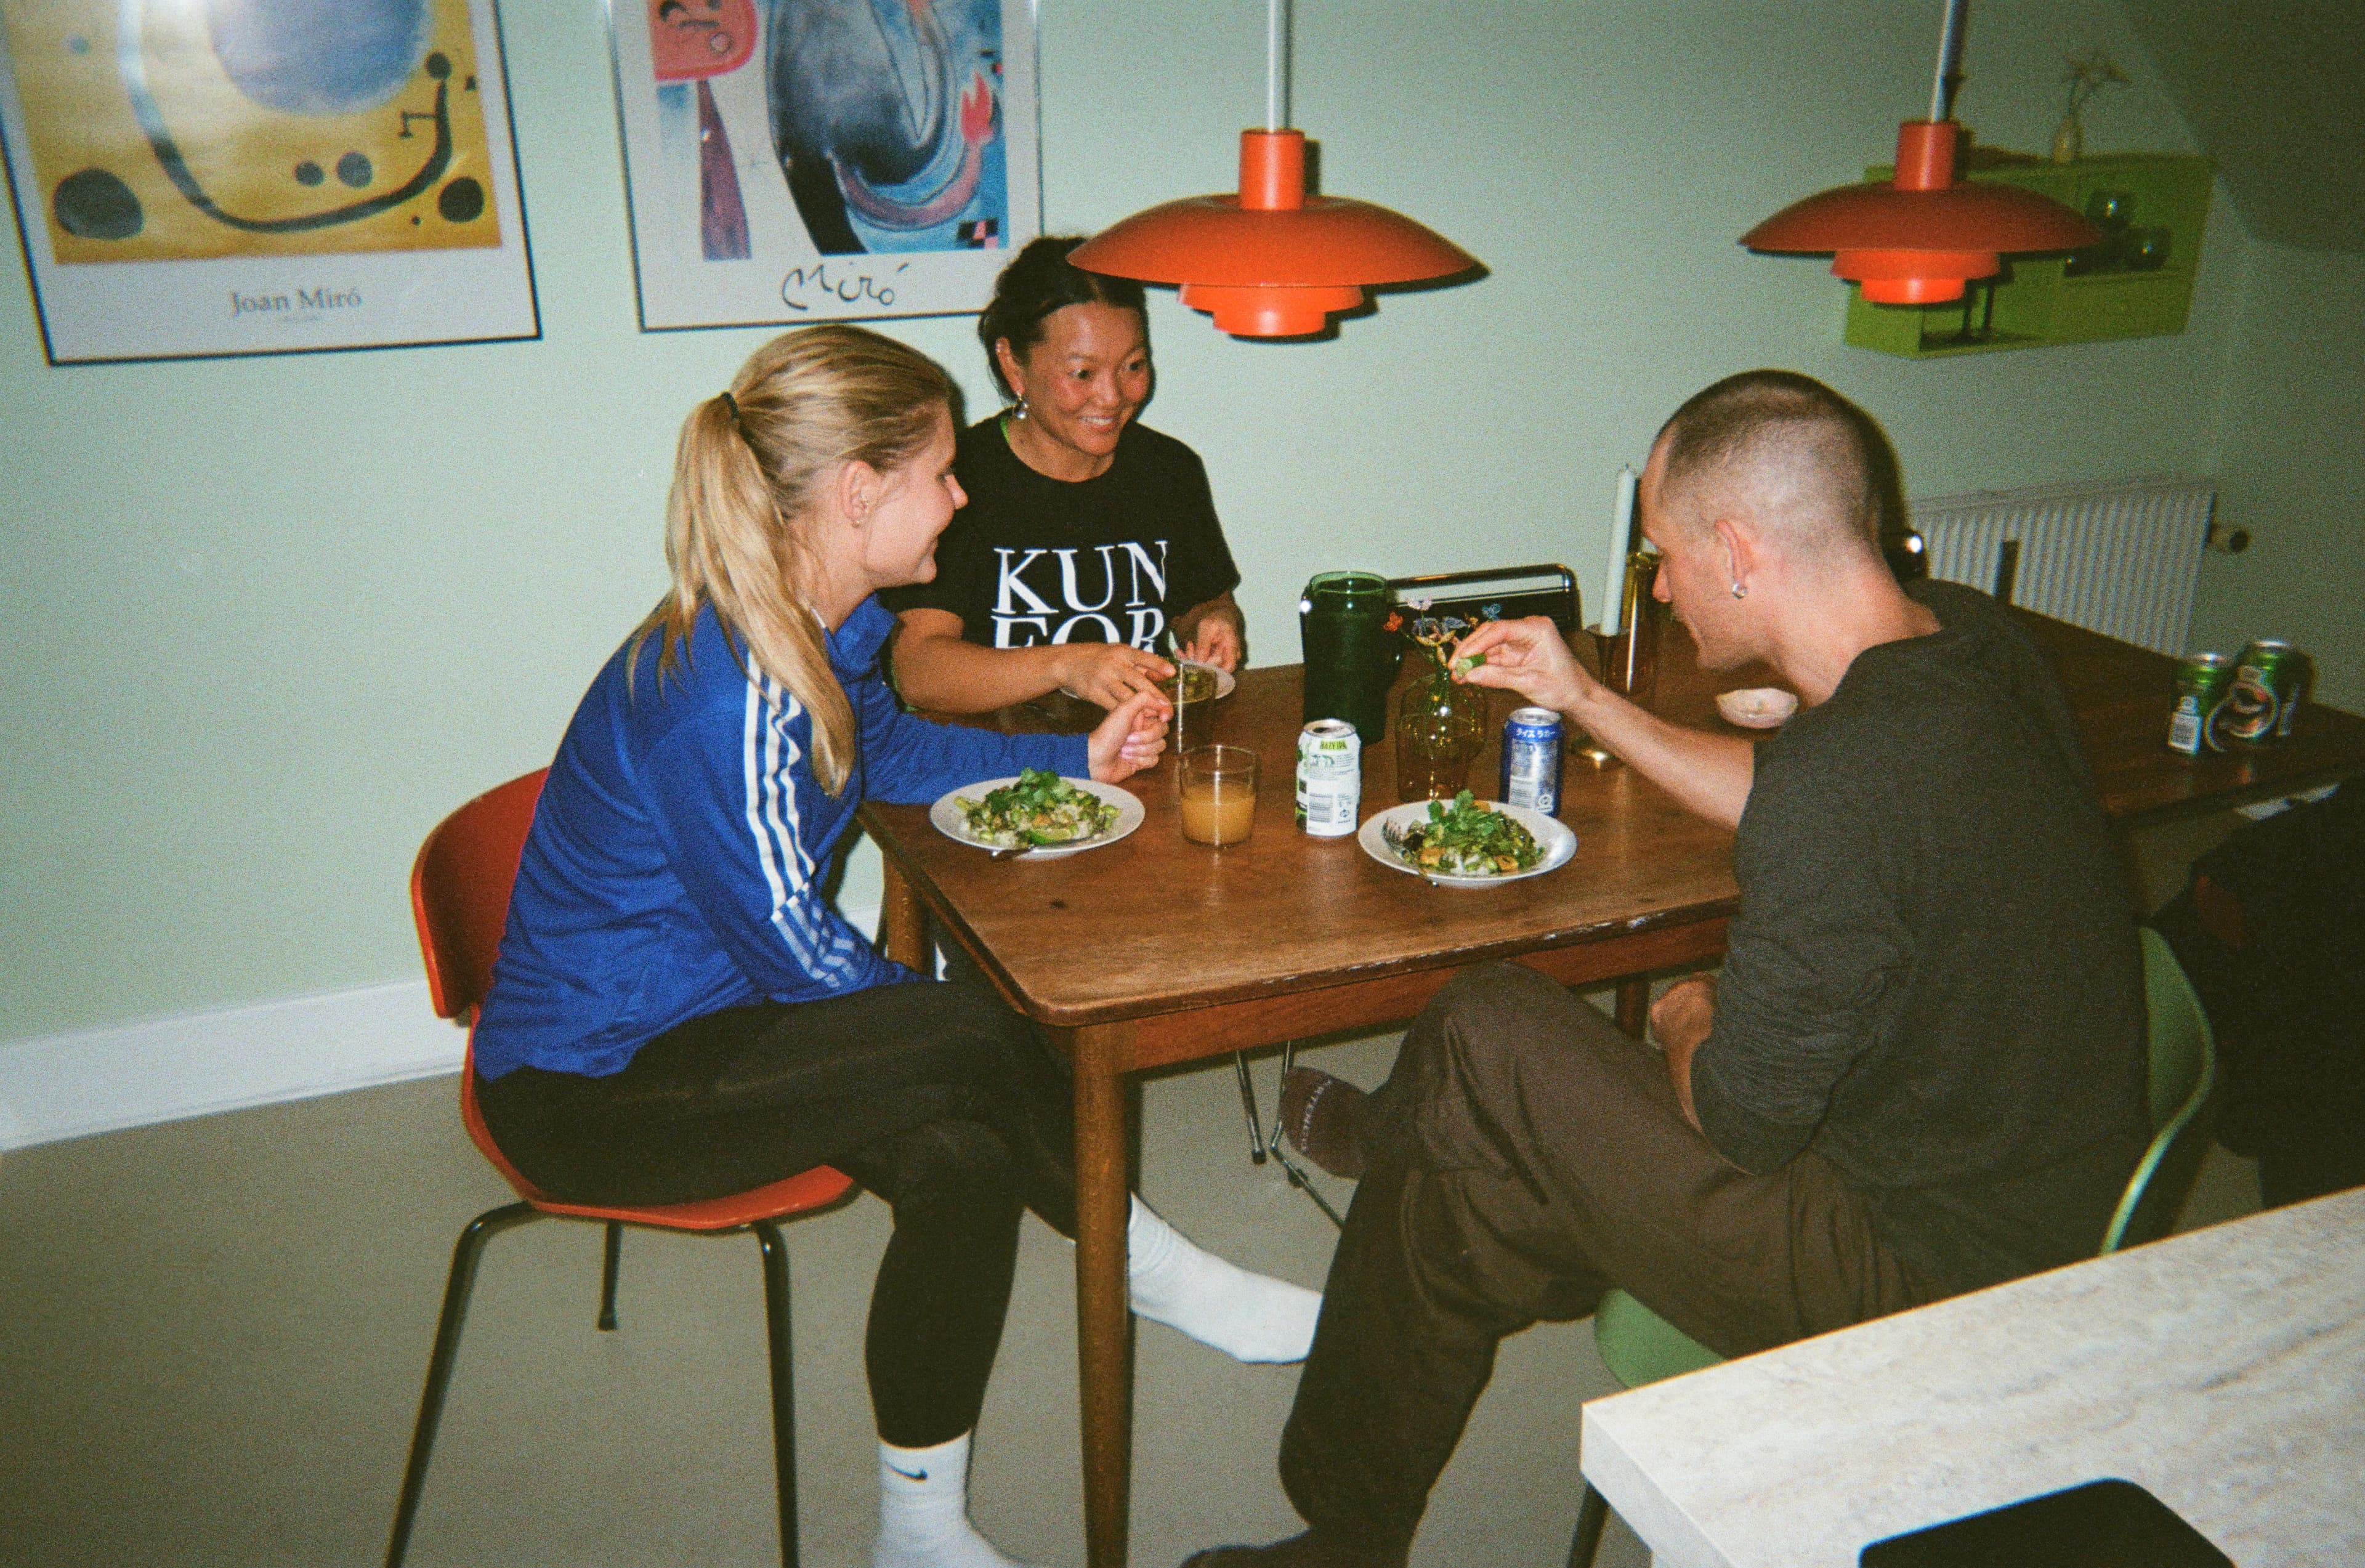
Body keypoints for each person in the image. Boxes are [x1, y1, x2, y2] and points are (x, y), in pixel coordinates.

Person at [1184, 371, 2151, 1568]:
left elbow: (1740, 1118)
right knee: (1470, 1161)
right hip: (2028, 1173)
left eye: (1665, 556)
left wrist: (1692, 1013)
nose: (1658, 586)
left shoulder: (1849, 778)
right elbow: (1791, 795)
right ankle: (1357, 1508)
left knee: (1489, 1022)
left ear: (1736, 551)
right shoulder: (1970, 643)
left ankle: (1404, 1193)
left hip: (1938, 1278)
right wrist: (1581, 696)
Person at [466, 325, 1319, 1568]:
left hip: (720, 1017)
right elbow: (799, 956)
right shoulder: (728, 692)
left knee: (966, 1155)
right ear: (860, 494)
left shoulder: (823, 622)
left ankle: (917, 1531)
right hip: (593, 1083)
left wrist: (1072, 757)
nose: (961, 496)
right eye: (941, 473)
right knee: (976, 1025)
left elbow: (894, 752)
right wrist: (926, 1025)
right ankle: (1157, 1267)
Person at [881, 235, 1246, 714]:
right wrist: (1067, 665)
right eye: (1082, 374)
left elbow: (1201, 603)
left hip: (1141, 742)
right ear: (1014, 365)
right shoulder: (956, 478)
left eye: (1133, 366)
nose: (1112, 397)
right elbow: (919, 671)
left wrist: (1213, 622)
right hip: (997, 752)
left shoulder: (1168, 469)